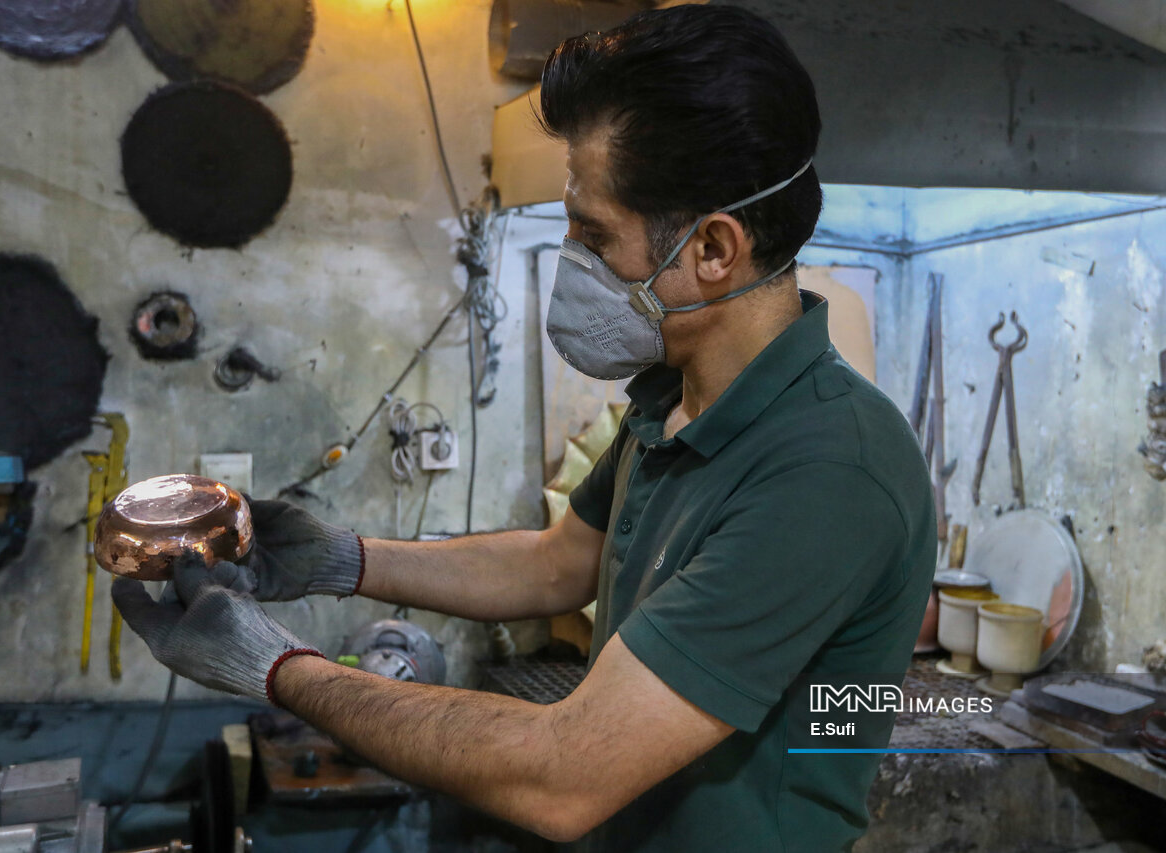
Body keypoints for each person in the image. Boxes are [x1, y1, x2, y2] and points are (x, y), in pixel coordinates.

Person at [113, 5, 937, 851]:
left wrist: (277, 667)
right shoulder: (674, 398)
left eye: (594, 233)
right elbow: (556, 564)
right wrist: (343, 560)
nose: (572, 259)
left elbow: (565, 771)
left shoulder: (830, 471)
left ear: (714, 250)